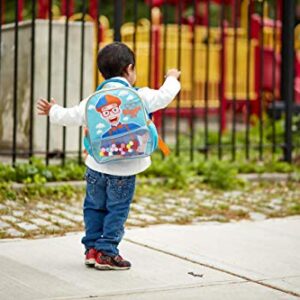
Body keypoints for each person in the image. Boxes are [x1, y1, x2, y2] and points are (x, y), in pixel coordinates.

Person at [37, 42, 181, 270]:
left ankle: (92, 249)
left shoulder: (94, 100)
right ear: (129, 68)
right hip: (124, 171)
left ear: (102, 72)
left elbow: (71, 116)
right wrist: (172, 77)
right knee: (117, 209)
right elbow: (164, 96)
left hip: (96, 166)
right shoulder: (139, 95)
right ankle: (107, 251)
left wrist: (53, 110)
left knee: (93, 207)